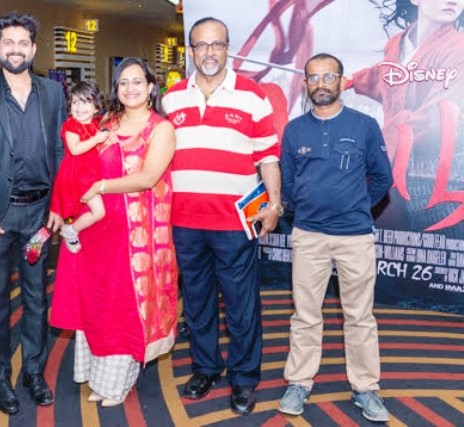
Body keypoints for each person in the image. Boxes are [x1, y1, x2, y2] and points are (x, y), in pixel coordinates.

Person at [162, 17, 282, 415]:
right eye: (201, 45)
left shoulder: (253, 95)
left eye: (216, 44)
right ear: (191, 51)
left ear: (228, 48)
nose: (209, 52)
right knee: (197, 302)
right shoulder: (172, 98)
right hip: (184, 222)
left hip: (234, 224)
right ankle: (206, 367)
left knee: (240, 305)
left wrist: (274, 204)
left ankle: (244, 377)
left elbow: (268, 157)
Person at [49, 57, 177, 407]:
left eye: (137, 82)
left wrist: (102, 186)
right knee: (96, 303)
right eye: (123, 82)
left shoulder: (161, 128)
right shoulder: (105, 122)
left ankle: (116, 383)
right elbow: (76, 164)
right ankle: (99, 378)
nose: (130, 88)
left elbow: (148, 178)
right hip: (95, 230)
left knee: (122, 305)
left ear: (151, 87)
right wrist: (64, 207)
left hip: (136, 236)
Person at [0, 12, 66, 415]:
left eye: (23, 43)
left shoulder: (53, 93)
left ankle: (33, 372)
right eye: (8, 43)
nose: (16, 49)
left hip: (40, 215)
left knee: (37, 297)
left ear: (33, 48)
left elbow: (61, 151)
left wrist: (59, 206)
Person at [278, 53, 393, 422]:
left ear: (342, 82)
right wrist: (306, 209)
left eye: (329, 76)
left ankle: (365, 387)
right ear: (305, 84)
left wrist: (355, 206)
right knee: (305, 315)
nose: (321, 83)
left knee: (360, 316)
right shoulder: (295, 130)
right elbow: (287, 183)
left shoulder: (365, 125)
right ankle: (299, 382)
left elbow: (383, 178)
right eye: (313, 77)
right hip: (308, 236)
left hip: (354, 237)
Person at [351, 0, 464, 235]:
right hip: (393, 175)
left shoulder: (459, 48)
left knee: (440, 248)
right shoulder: (397, 43)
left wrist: (375, 146)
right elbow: (385, 77)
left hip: (438, 176)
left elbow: (436, 115)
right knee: (390, 247)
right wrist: (349, 82)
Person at [51, 80, 109, 253]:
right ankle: (70, 230)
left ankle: (72, 230)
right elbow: (75, 150)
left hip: (90, 172)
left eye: (85, 102)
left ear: (96, 107)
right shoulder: (71, 125)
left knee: (81, 211)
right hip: (78, 175)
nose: (79, 107)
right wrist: (96, 139)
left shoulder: (97, 123)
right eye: (75, 102)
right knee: (98, 212)